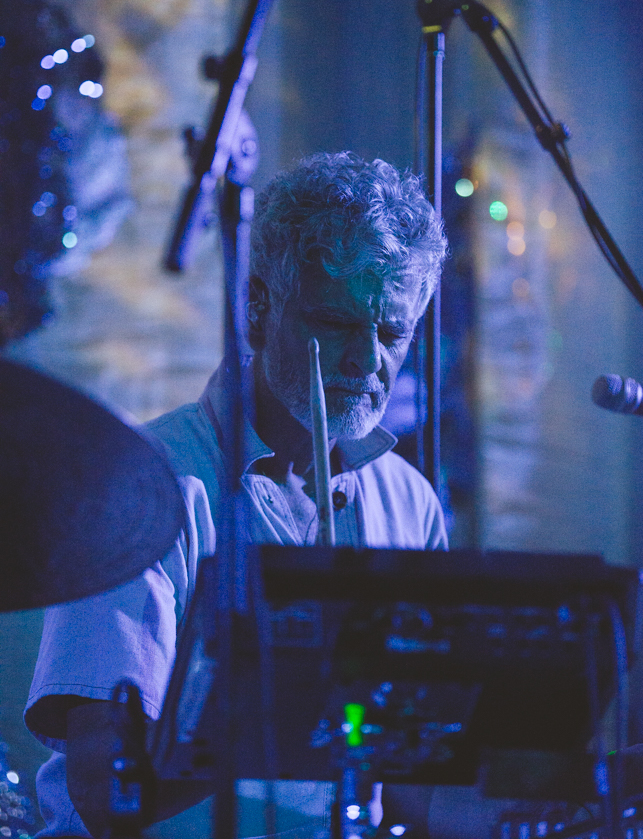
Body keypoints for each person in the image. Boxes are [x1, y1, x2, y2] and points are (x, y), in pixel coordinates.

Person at [24, 152, 448, 837]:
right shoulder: (139, 487)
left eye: (393, 331)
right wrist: (288, 703)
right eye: (335, 322)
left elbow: (406, 791)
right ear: (257, 309)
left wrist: (550, 794)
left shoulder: (411, 503)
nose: (368, 359)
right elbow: (107, 791)